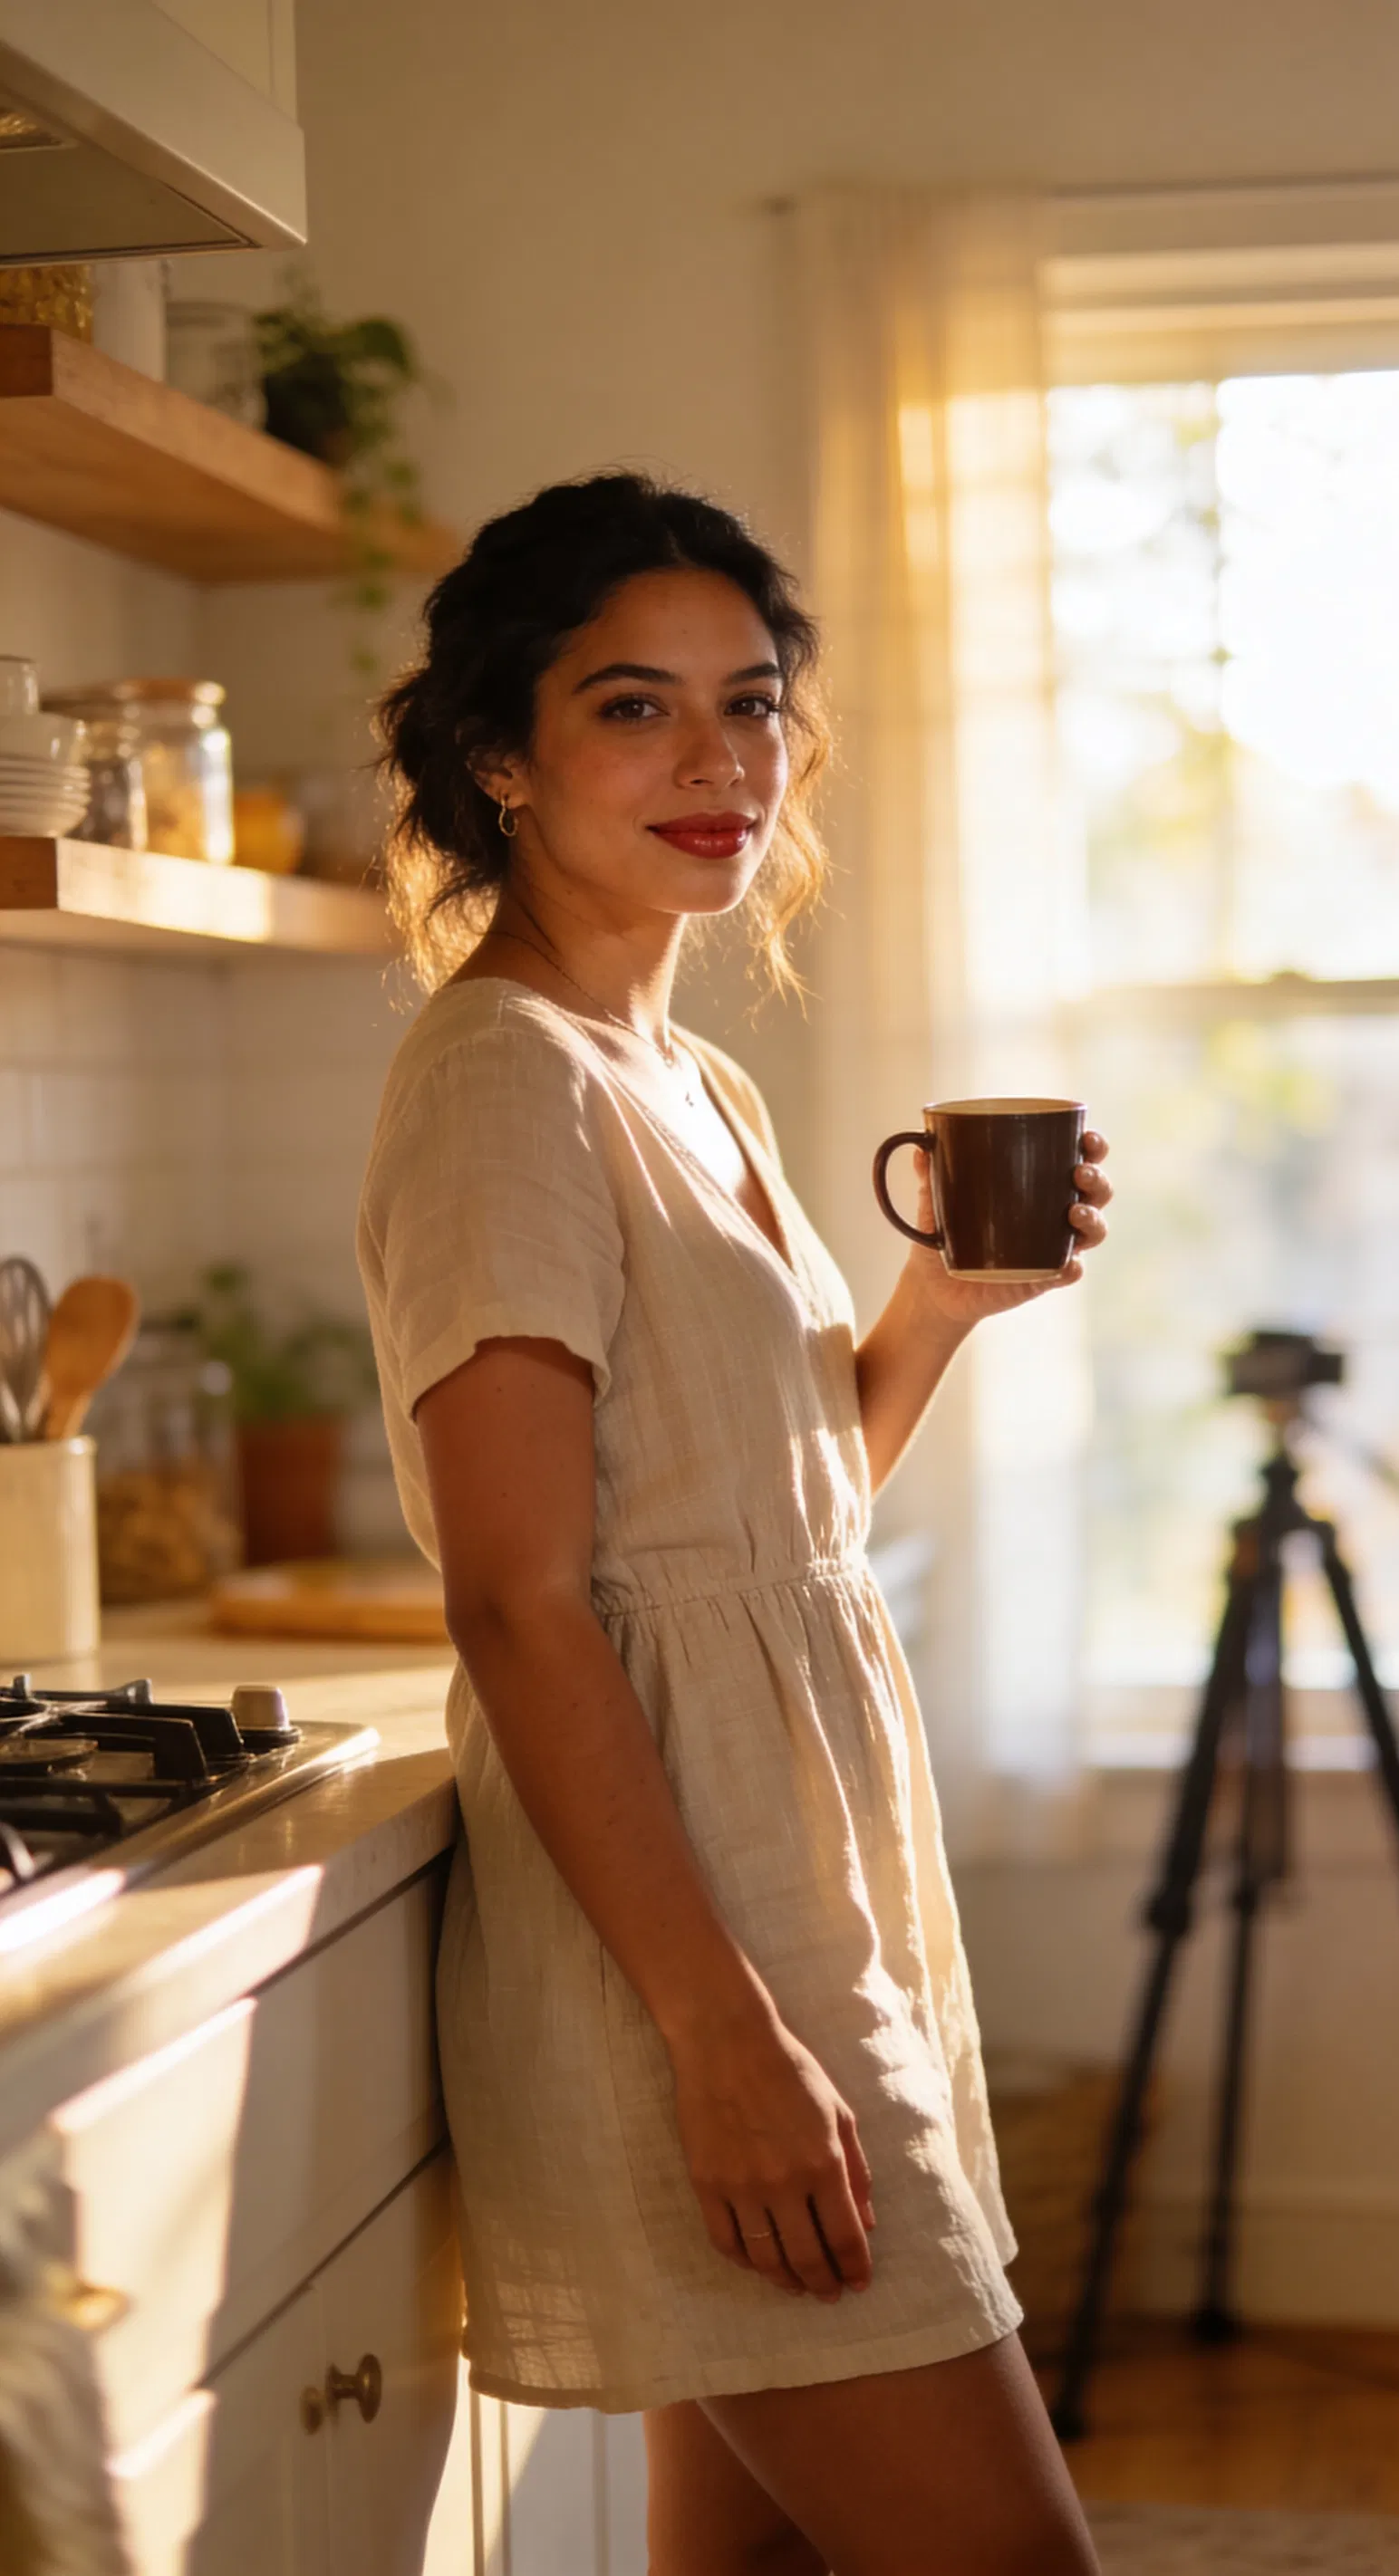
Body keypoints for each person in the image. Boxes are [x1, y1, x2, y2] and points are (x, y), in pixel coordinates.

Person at [358, 473, 1110, 2576]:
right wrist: (725, 2034)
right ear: (499, 757)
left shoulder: (691, 1077)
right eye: (633, 708)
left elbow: (763, 1525)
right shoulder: (506, 1078)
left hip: (788, 1883)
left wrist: (933, 1312)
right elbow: (519, 1602)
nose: (719, 765)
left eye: (751, 703)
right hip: (700, 1936)